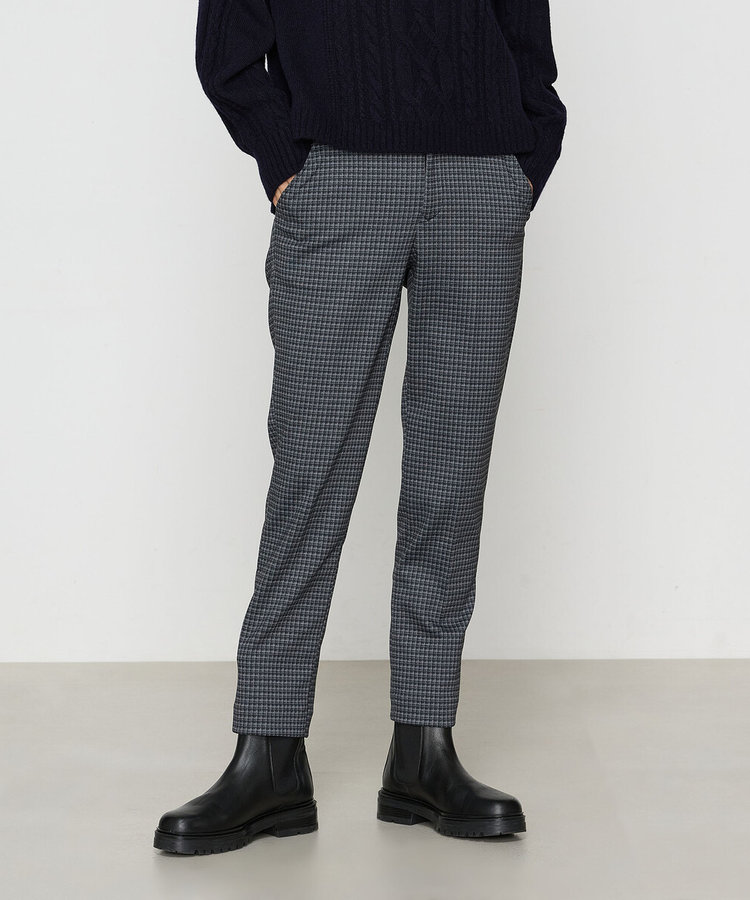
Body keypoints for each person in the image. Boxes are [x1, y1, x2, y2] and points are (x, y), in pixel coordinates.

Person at [154, 0, 566, 854]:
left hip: (480, 184)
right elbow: (227, 48)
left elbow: (526, 33)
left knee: (451, 478)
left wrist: (526, 159)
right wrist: (287, 167)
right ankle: (269, 750)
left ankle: (424, 745)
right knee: (311, 471)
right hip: (339, 179)